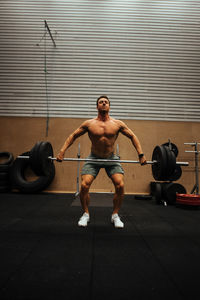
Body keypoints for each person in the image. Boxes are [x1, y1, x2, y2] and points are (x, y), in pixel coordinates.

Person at [56, 95, 147, 228]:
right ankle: (85, 214)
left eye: (106, 102)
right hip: (94, 158)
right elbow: (73, 135)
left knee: (120, 185)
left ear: (109, 106)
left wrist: (141, 154)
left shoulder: (117, 124)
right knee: (84, 186)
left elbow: (132, 136)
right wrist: (62, 152)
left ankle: (115, 215)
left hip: (111, 158)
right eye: (101, 102)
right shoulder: (89, 124)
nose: (103, 104)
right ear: (97, 106)